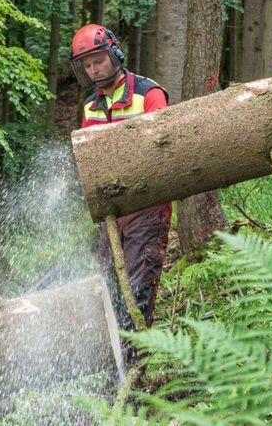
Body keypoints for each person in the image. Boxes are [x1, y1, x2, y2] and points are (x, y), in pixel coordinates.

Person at [69, 23, 172, 336]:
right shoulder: (91, 105)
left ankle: (137, 364)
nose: (94, 69)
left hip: (147, 206)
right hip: (112, 212)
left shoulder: (148, 94)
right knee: (109, 287)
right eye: (87, 65)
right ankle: (116, 363)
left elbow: (165, 149)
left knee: (139, 289)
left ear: (114, 53)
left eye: (98, 60)